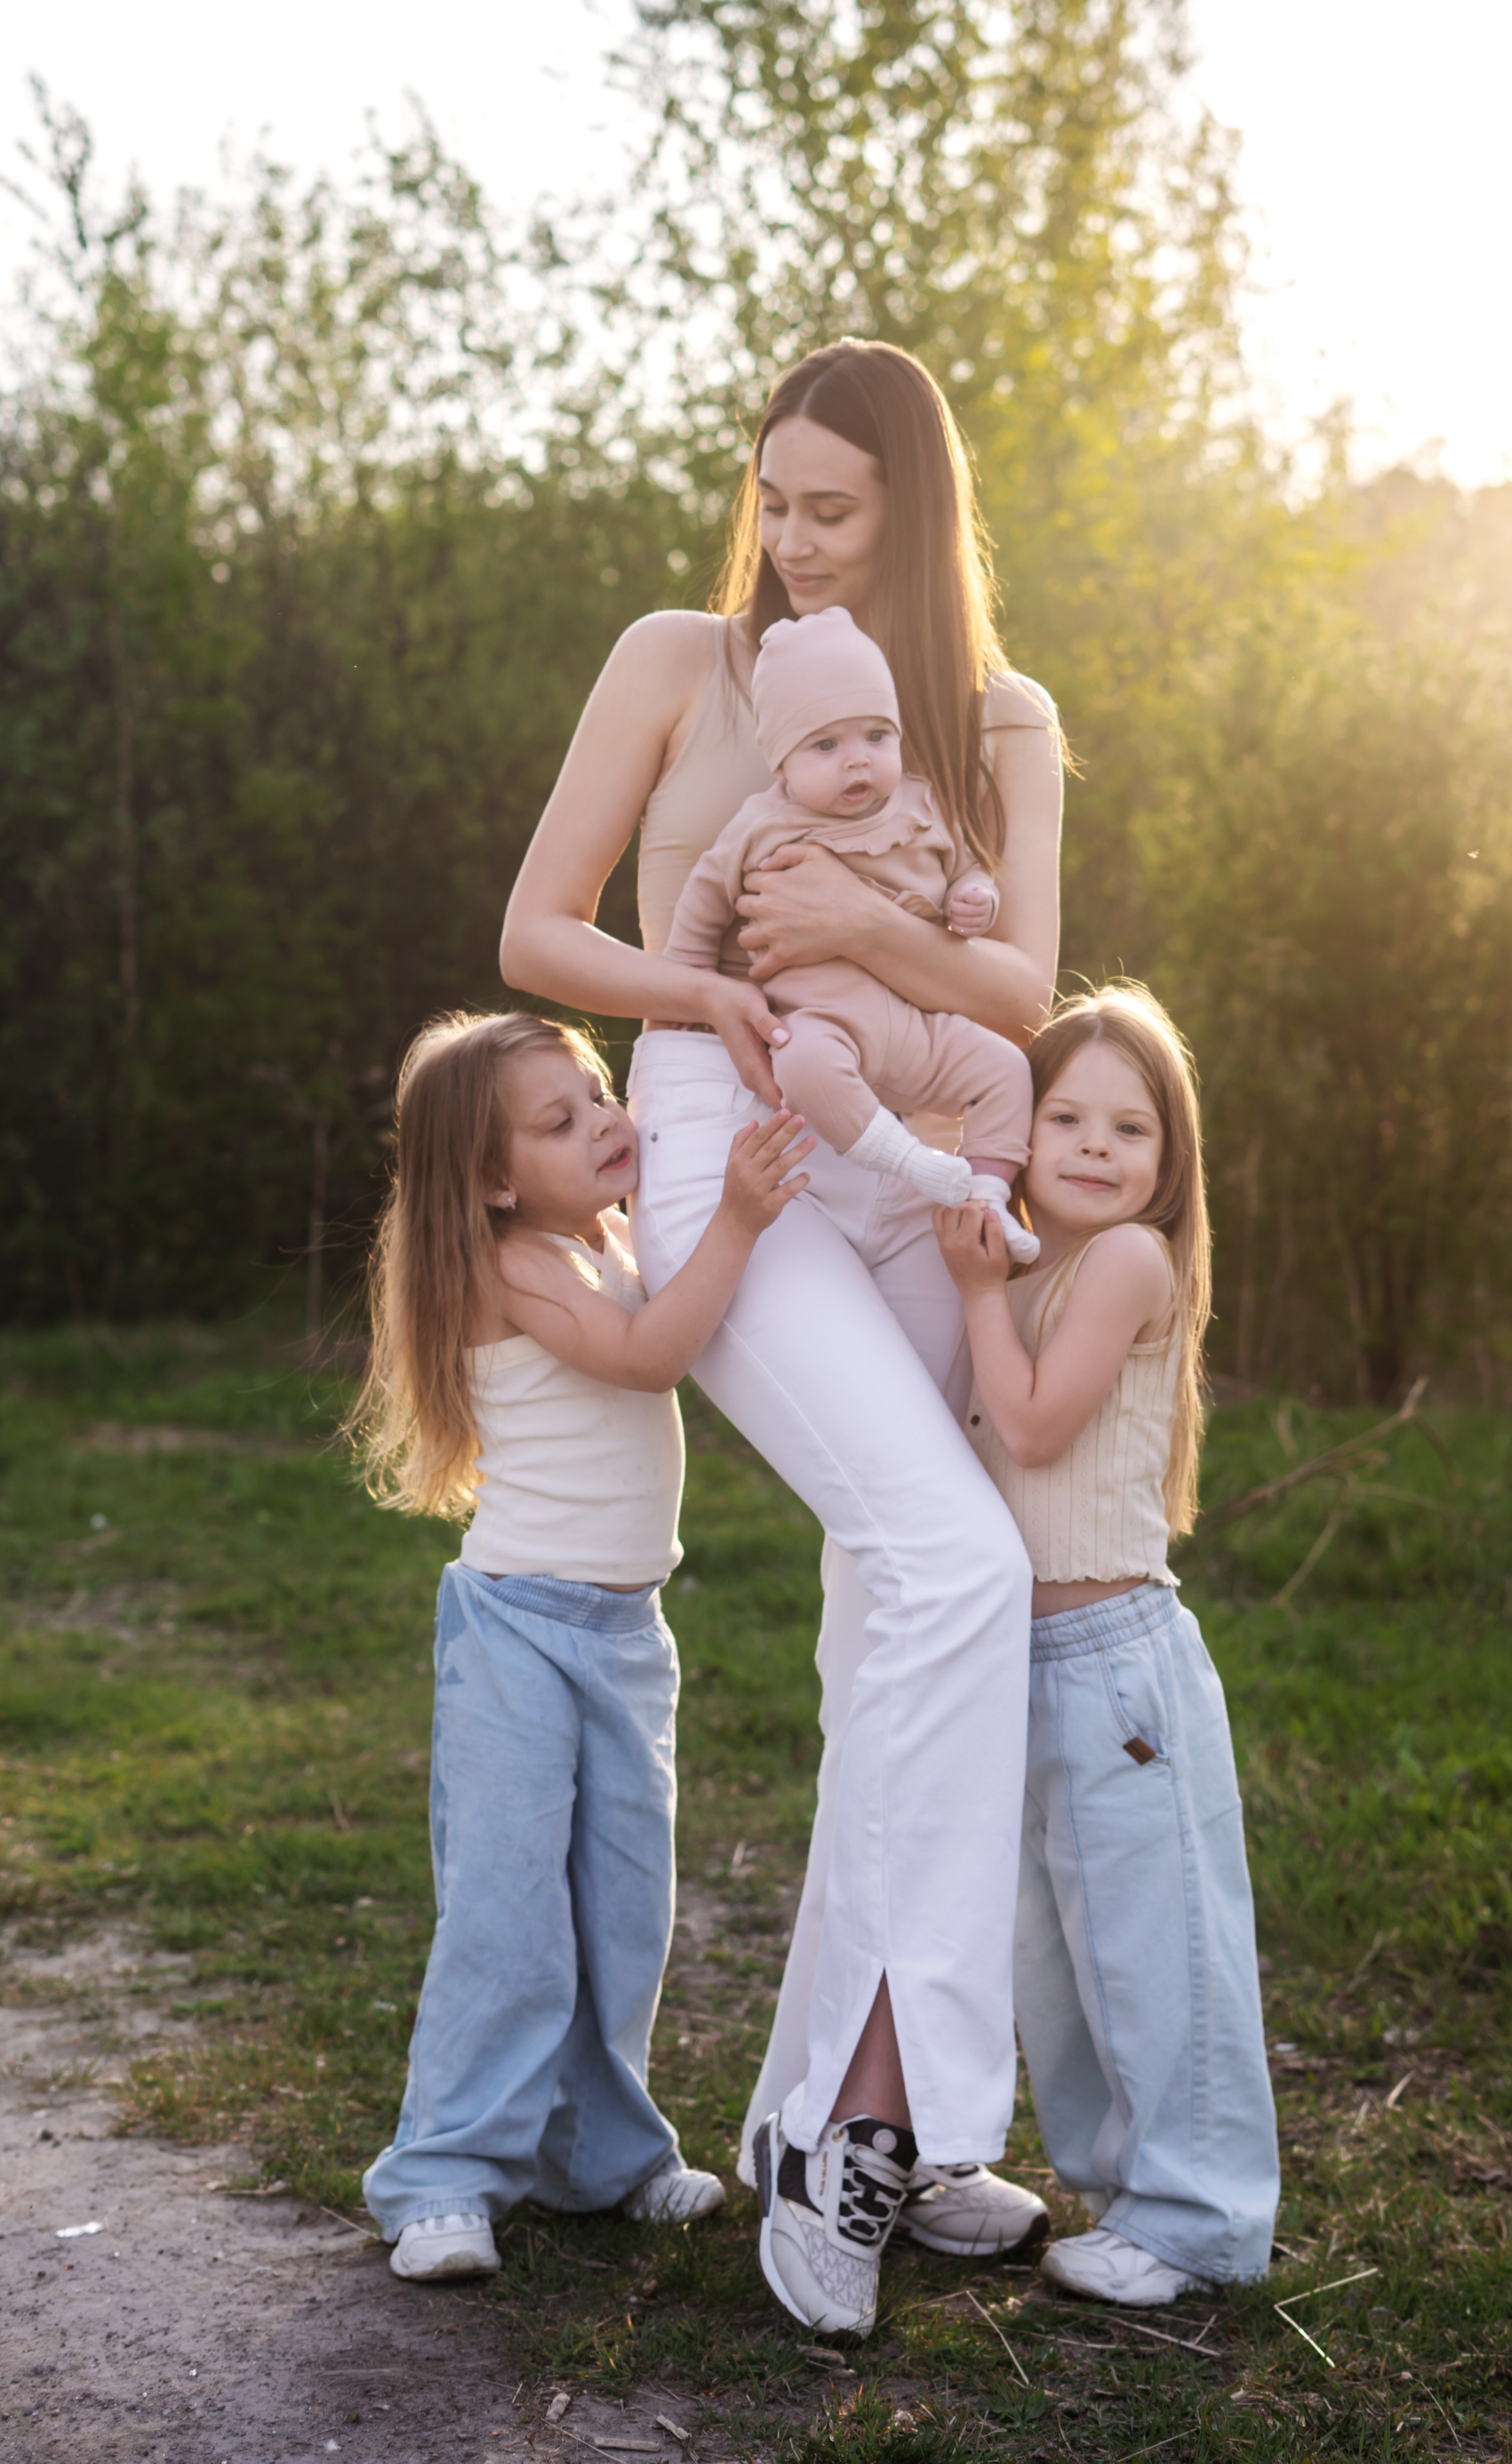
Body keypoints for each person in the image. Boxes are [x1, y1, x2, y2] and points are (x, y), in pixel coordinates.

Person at [499, 339, 1062, 2334]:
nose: (794, 541)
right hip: (724, 1125)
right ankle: (861, 2123)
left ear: (911, 512)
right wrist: (715, 982)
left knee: (904, 1610)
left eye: (834, 508)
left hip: (906, 1133)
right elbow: (532, 931)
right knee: (951, 1557)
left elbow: (1023, 982)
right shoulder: (678, 657)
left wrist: (858, 929)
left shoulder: (997, 717)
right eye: (774, 501)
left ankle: (841, 2111)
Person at [348, 1009, 811, 2280]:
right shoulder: (515, 1265)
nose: (607, 1120)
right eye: (560, 1122)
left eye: (598, 1092)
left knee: (622, 1908)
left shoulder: (600, 1238)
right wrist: (738, 1216)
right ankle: (440, 2176)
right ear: (494, 1182)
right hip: (521, 1631)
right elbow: (651, 1352)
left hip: (624, 1633)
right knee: (508, 1913)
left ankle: (598, 2160)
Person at [934, 985, 1281, 2306]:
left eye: (1124, 1127)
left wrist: (972, 1287)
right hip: (1017, 1667)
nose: (1089, 1146)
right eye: (1061, 1116)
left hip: (1110, 1664)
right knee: (1055, 1958)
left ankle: (1198, 2219)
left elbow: (1026, 1429)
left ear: (1165, 1158)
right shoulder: (1032, 1260)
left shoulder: (1127, 1259)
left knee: (1154, 1946)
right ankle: (1122, 2196)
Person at [664, 604, 1038, 1263]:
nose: (857, 762)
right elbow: (702, 902)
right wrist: (690, 990)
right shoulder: (760, 825)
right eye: (826, 746)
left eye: (874, 736)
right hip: (823, 1020)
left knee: (1006, 1070)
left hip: (921, 1028)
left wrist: (973, 898)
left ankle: (988, 1199)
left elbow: (967, 869)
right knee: (801, 1066)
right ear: (781, 762)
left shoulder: (925, 806)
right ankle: (915, 1167)